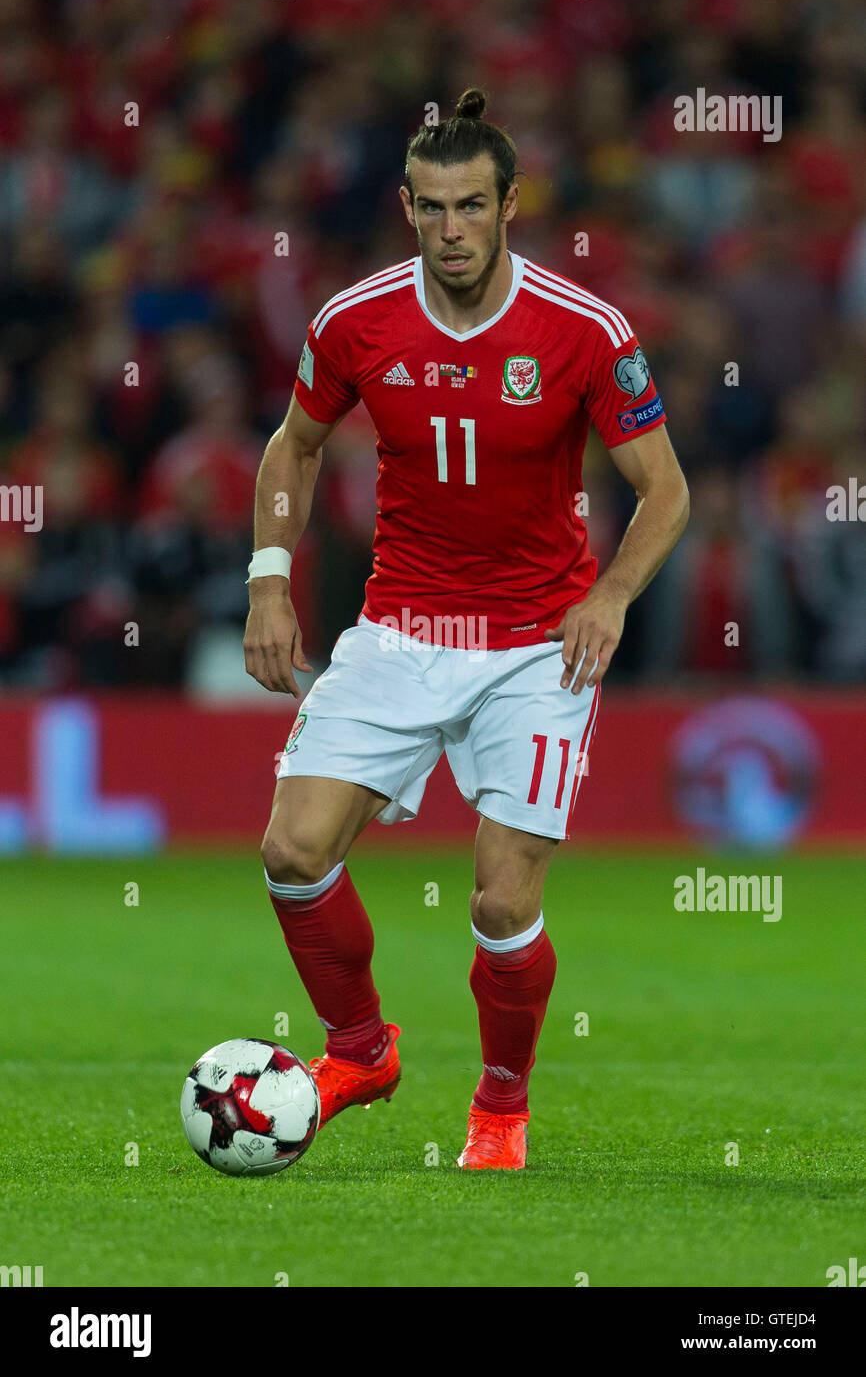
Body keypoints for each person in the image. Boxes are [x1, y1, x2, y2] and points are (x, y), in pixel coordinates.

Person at [243, 89, 689, 1169]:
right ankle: (360, 1048)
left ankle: (498, 1102)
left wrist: (609, 594)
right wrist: (266, 581)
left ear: (509, 206)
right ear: (405, 206)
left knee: (498, 898)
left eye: (471, 207)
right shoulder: (354, 320)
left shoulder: (583, 332)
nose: (451, 230)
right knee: (290, 852)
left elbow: (664, 491)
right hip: (399, 626)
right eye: (432, 208)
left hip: (538, 643)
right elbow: (292, 447)